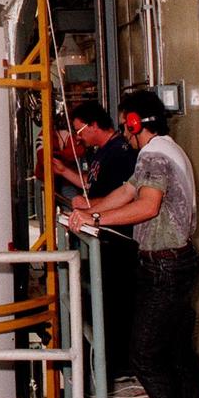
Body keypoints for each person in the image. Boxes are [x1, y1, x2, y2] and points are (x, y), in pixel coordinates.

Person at [64, 90, 199, 398]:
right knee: (178, 355)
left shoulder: (156, 154)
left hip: (166, 266)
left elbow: (147, 206)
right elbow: (127, 191)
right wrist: (90, 206)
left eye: (125, 121)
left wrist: (94, 220)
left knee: (145, 356)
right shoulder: (157, 150)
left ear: (132, 122)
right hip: (169, 263)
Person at [62, 100, 138, 375]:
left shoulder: (120, 154)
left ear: (95, 125)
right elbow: (94, 185)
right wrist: (64, 173)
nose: (78, 137)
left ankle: (118, 366)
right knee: (107, 302)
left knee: (118, 304)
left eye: (81, 131)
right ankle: (111, 363)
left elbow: (122, 196)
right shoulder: (102, 153)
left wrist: (92, 210)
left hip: (118, 239)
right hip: (104, 236)